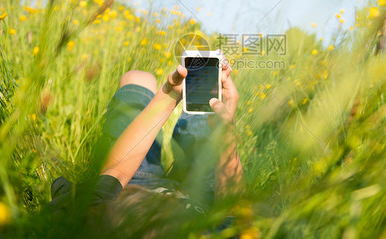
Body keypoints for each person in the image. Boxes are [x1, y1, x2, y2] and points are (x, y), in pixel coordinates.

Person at [49, 57, 244, 236]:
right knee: (207, 112)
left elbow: (116, 172)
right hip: (200, 203)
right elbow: (232, 210)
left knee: (138, 79)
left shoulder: (94, 221)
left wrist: (168, 96)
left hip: (131, 189)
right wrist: (226, 135)